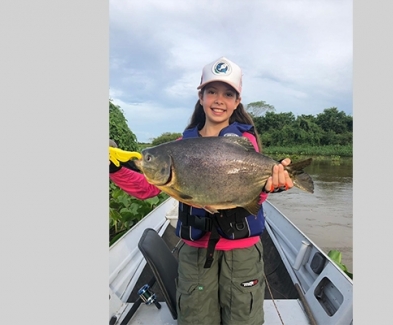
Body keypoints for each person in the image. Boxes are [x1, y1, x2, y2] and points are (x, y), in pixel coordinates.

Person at [109, 57, 293, 325]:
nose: (220, 99)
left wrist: (271, 186)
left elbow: (258, 196)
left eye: (228, 94)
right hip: (194, 250)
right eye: (212, 92)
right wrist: (114, 170)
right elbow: (147, 188)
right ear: (201, 95)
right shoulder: (183, 146)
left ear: (237, 101)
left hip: (242, 251)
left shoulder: (245, 143)